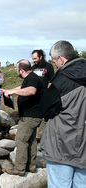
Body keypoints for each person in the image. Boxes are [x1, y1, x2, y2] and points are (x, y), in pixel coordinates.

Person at [40, 40, 86, 187]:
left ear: (61, 58)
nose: (55, 65)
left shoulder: (62, 80)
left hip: (62, 146)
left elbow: (46, 110)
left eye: (54, 62)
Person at [2, 59, 43, 176]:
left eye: (17, 69)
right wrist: (9, 91)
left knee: (21, 139)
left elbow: (31, 90)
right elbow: (22, 87)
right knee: (31, 140)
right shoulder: (30, 78)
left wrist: (13, 92)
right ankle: (31, 166)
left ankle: (20, 168)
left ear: (22, 70)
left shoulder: (33, 78)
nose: (16, 71)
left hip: (31, 116)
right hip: (32, 115)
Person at [31, 49, 54, 142]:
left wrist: (48, 93)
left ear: (41, 57)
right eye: (32, 58)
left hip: (45, 95)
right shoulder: (33, 68)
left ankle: (43, 135)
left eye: (35, 58)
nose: (34, 60)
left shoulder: (49, 66)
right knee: (37, 115)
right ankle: (37, 135)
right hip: (34, 96)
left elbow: (52, 80)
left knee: (45, 116)